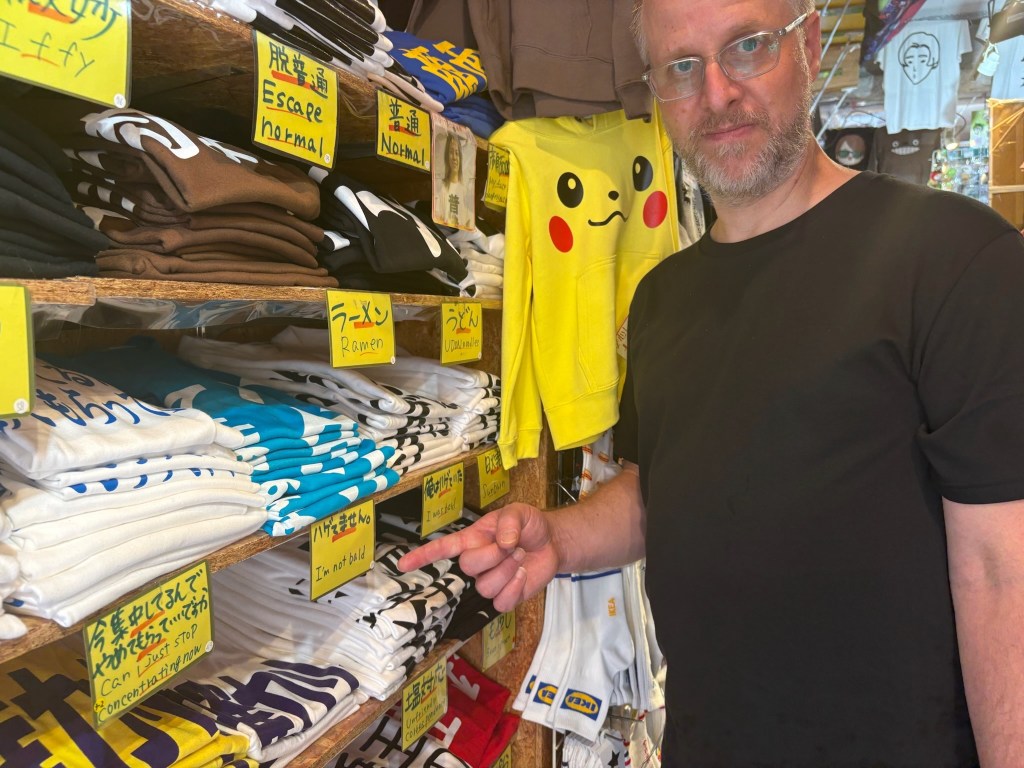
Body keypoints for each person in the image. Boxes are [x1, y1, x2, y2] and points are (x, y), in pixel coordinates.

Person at [399, 0, 1024, 764]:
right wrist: (558, 538)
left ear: (811, 44)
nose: (718, 92)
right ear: (656, 90)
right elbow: (661, 490)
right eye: (682, 67)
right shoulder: (663, 299)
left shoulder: (957, 258)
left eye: (749, 47)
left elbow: (1004, 572)